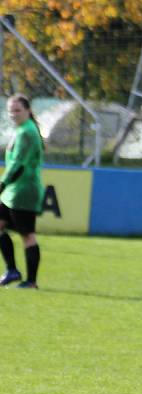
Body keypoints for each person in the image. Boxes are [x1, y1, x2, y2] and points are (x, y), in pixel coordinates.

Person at [0, 94, 45, 289]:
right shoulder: (23, 130)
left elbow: (18, 165)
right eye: (11, 111)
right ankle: (12, 270)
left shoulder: (27, 132)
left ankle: (31, 281)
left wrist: (2, 184)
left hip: (24, 191)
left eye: (17, 110)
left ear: (27, 110)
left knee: (27, 235)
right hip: (13, 191)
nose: (13, 114)